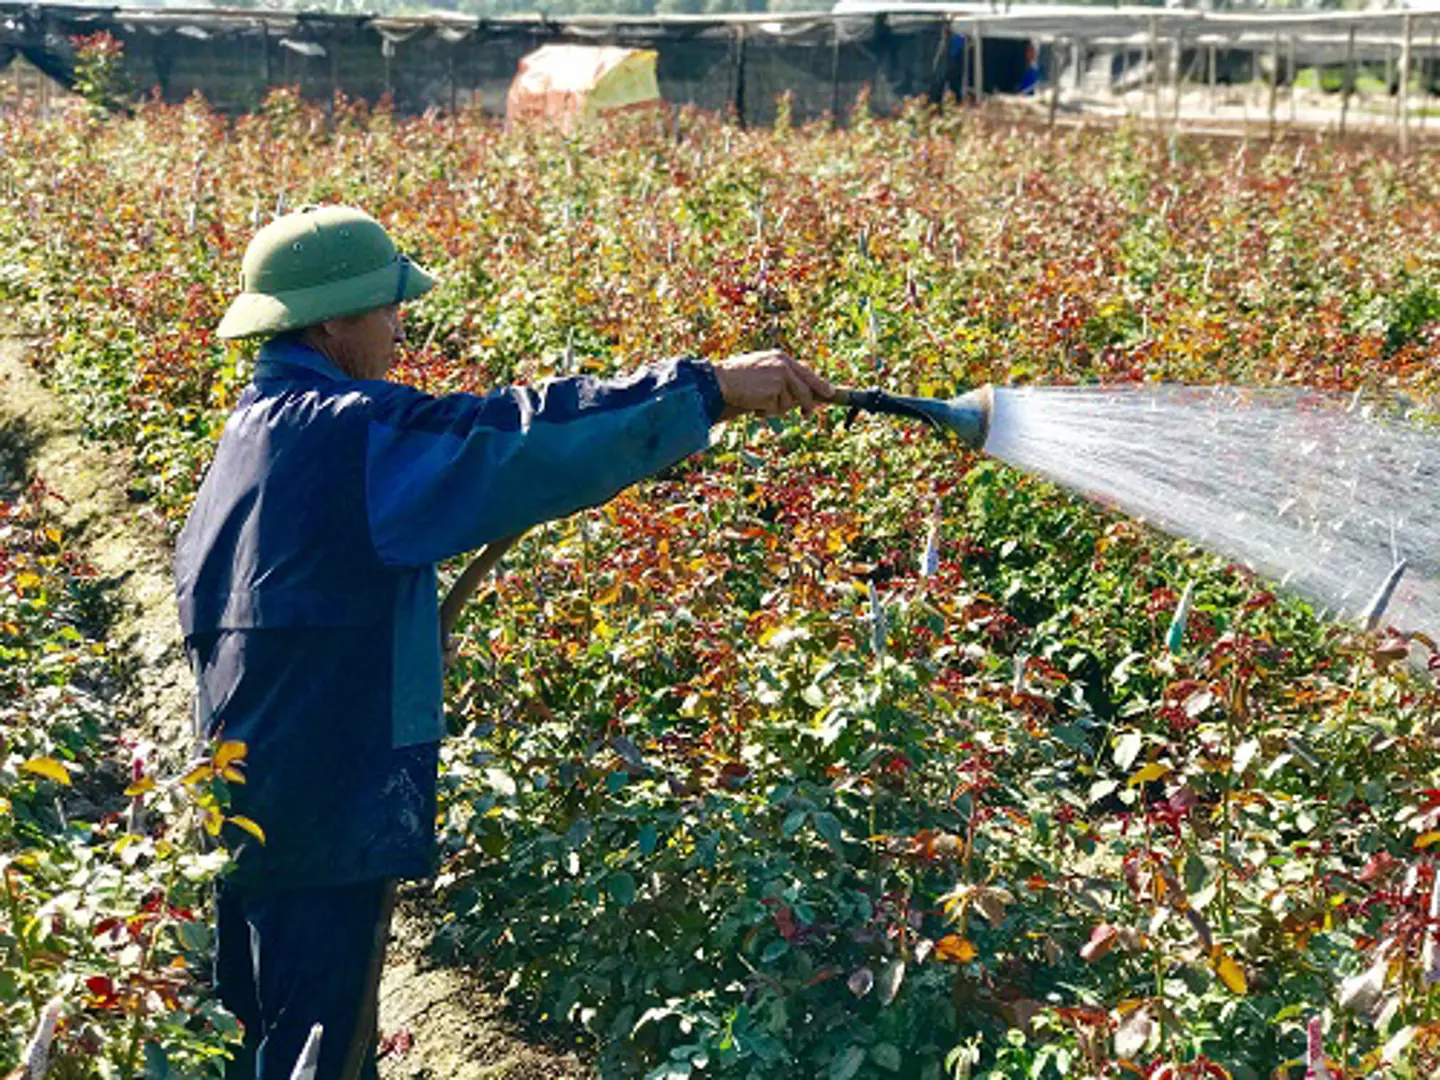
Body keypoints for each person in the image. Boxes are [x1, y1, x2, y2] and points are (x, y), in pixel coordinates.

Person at [173, 204, 834, 1080]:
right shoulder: (345, 432)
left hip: (254, 804)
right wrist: (704, 389)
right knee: (319, 1054)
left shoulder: (254, 433)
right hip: (324, 812)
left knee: (269, 1035)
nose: (399, 325)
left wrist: (392, 638)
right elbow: (513, 441)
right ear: (330, 321)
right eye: (384, 308)